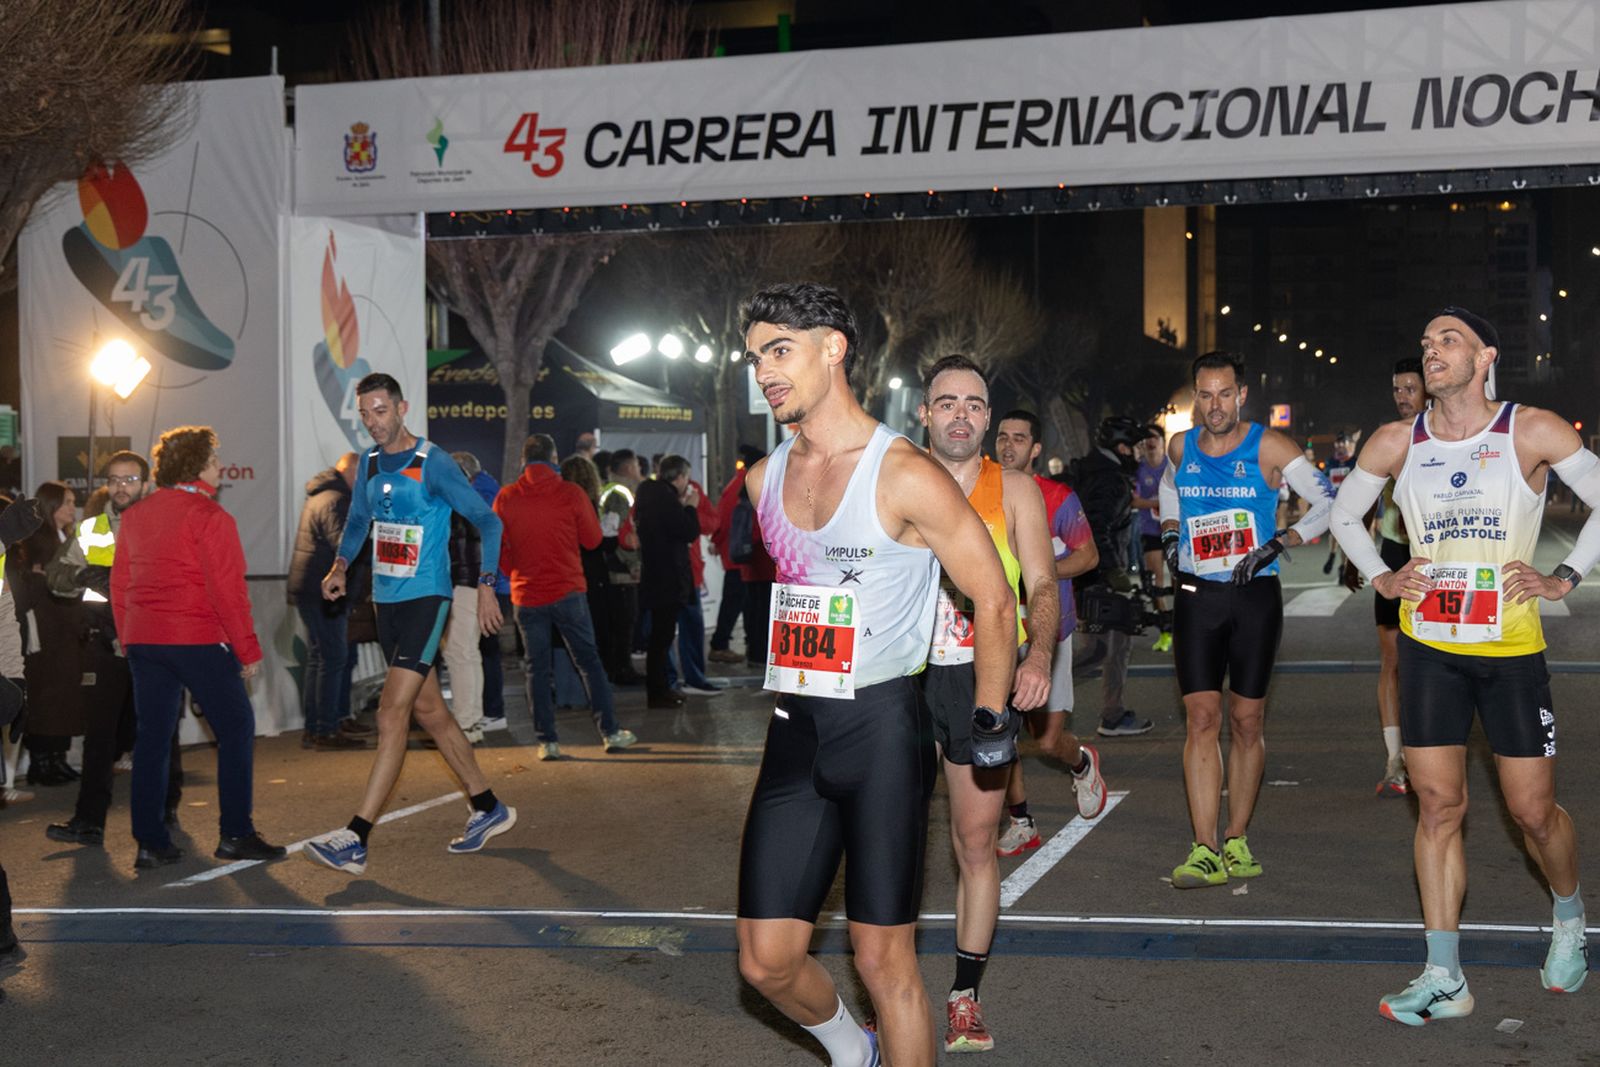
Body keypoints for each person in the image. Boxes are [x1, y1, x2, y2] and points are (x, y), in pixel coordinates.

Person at [737, 283, 1014, 1067]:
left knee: (882, 961)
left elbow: (993, 596)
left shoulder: (904, 472)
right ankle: (850, 1050)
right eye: (756, 356)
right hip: (796, 725)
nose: (764, 371)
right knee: (765, 960)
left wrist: (990, 719)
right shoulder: (763, 481)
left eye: (780, 350)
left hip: (884, 729)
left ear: (834, 347)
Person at [1331, 308, 1596, 1024]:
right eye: (1425, 342)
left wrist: (1563, 576)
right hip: (1430, 648)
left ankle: (1570, 917)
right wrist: (1380, 578)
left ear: (1486, 357)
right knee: (1440, 806)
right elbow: (1343, 516)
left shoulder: (1531, 429)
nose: (1431, 351)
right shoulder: (1396, 440)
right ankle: (1444, 974)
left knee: (1532, 812)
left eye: (1448, 340)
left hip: (1511, 650)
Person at [305, 373, 514, 876]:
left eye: (380, 411)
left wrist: (486, 584)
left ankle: (356, 836)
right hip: (387, 601)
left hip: (427, 598)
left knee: (390, 712)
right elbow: (358, 523)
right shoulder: (371, 463)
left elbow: (489, 521)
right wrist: (339, 567)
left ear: (401, 407)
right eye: (365, 413)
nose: (373, 422)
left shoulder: (433, 463)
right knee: (430, 711)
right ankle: (487, 806)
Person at [920, 362, 1061, 1054]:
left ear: (986, 419)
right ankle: (881, 986)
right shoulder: (896, 480)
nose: (960, 415)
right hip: (898, 680)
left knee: (975, 843)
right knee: (879, 837)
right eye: (946, 402)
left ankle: (964, 995)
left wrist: (1037, 657)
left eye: (973, 405)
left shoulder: (1014, 488)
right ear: (924, 413)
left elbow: (1041, 580)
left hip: (978, 679)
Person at [1159, 351, 1334, 889]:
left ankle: (1236, 835)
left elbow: (1328, 502)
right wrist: (1170, 532)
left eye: (1224, 394)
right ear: (1196, 399)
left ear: (1241, 395)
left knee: (1247, 722)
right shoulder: (1180, 446)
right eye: (1204, 396)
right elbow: (1170, 488)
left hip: (1254, 596)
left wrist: (1280, 543)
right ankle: (1205, 847)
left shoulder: (1272, 446)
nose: (1214, 406)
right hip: (1196, 596)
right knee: (1202, 720)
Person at [112, 426, 285, 870]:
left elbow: (120, 584)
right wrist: (247, 651)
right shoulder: (210, 517)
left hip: (146, 639)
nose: (220, 466)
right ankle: (235, 834)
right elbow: (228, 591)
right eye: (214, 459)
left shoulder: (135, 515)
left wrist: (128, 635)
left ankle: (150, 841)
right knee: (236, 728)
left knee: (152, 739)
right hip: (195, 637)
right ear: (198, 466)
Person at [45, 451, 188, 847]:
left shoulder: (162, 524)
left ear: (146, 483)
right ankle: (88, 820)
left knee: (160, 733)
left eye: (129, 479)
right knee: (99, 737)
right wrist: (81, 574)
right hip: (104, 644)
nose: (121, 487)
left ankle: (166, 807)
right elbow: (56, 576)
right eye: (115, 479)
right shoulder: (97, 529)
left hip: (156, 646)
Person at [991, 409, 1106, 858]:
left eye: (1019, 438)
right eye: (1002, 436)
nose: (1008, 445)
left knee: (1046, 740)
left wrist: (1037, 570)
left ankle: (1081, 762)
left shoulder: (1057, 497)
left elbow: (1089, 556)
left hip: (1048, 630)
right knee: (998, 735)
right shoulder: (980, 493)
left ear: (1035, 449)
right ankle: (1021, 821)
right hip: (997, 630)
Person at [495, 434, 635, 761]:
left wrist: (516, 571)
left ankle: (548, 742)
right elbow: (592, 540)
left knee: (536, 669)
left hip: (527, 596)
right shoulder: (570, 493)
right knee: (589, 662)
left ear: (523, 461)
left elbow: (501, 551)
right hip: (569, 592)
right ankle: (611, 732)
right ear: (554, 457)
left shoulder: (506, 497)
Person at [1341, 359, 1427, 797]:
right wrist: (1354, 559)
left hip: (1437, 559)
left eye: (1411, 388)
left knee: (1435, 661)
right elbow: (1364, 501)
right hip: (1394, 553)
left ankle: (1429, 753)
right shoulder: (1389, 439)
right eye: (1397, 388)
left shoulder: (1449, 436)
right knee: (1391, 661)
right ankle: (1395, 758)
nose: (1402, 396)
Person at [1070, 417, 1154, 737]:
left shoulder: (1094, 472)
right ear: (1121, 447)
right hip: (1098, 574)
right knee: (1102, 649)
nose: (1139, 453)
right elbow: (1096, 526)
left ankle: (1113, 713)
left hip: (1090, 572)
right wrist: (1113, 571)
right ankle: (1025, 694)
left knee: (1110, 644)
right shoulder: (1110, 480)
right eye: (1135, 447)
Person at [285, 452, 368, 751]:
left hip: (312, 588)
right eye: (362, 476)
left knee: (322, 659)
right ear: (349, 473)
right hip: (325, 590)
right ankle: (326, 729)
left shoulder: (322, 495)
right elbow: (344, 544)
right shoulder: (337, 500)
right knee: (332, 659)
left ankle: (319, 726)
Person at [11, 481, 81, 785]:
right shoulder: (37, 541)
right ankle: (42, 761)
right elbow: (27, 581)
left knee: (65, 694)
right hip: (46, 631)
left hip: (67, 628)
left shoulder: (67, 537)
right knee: (45, 695)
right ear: (51, 505)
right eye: (66, 502)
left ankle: (57, 758)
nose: (71, 508)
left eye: (73, 501)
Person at [634, 454, 704, 709]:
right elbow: (687, 531)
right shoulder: (665, 497)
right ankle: (659, 691)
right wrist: (690, 506)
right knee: (661, 640)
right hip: (668, 579)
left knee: (659, 638)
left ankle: (661, 688)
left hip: (653, 575)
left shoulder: (647, 492)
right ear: (681, 477)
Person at [440, 451, 488, 745]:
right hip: (472, 586)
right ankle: (471, 721)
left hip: (458, 586)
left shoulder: (453, 506)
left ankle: (466, 723)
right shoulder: (473, 503)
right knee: (468, 654)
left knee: (460, 655)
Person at [463, 453, 511, 733]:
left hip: (487, 584)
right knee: (483, 649)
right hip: (497, 582)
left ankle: (492, 710)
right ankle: (491, 709)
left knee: (483, 649)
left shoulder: (476, 497)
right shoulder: (492, 491)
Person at [598, 450, 645, 686]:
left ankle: (619, 667)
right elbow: (614, 532)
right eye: (637, 465)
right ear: (628, 468)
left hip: (616, 568)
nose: (640, 470)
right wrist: (631, 564)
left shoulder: (610, 491)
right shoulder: (619, 494)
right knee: (624, 623)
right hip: (620, 572)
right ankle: (621, 670)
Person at [1132, 427, 1173, 651]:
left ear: (1162, 441)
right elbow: (1134, 501)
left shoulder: (1172, 466)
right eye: (1146, 438)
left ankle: (1184, 625)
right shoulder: (1139, 470)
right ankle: (1165, 630)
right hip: (1150, 530)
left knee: (1180, 579)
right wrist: (1156, 504)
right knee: (1155, 582)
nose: (1150, 442)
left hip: (1175, 529)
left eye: (1154, 437)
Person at [1322, 433, 1356, 575]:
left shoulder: (1354, 462)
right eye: (1338, 444)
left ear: (1349, 445)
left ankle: (1343, 567)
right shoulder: (1330, 462)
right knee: (1335, 532)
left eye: (1344, 444)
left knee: (1346, 540)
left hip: (1350, 505)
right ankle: (1332, 554)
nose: (1341, 447)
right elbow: (1323, 481)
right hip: (1334, 503)